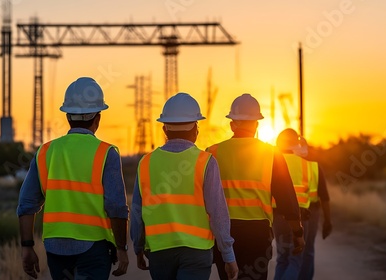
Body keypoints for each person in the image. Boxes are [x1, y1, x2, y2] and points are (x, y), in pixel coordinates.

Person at [17, 77, 129, 279]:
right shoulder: (106, 153)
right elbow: (116, 207)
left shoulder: (45, 151)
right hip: (95, 248)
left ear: (67, 115)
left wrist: (27, 247)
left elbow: (26, 204)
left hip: (55, 247)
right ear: (98, 118)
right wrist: (121, 248)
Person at [130, 92, 239, 280]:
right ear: (196, 129)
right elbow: (218, 212)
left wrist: (138, 248)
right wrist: (228, 255)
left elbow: (138, 213)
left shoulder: (146, 163)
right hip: (196, 252)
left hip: (159, 251)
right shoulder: (206, 162)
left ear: (164, 129)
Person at [207, 93, 304, 280]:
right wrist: (297, 232)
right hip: (257, 234)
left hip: (224, 233)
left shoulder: (212, 153)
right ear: (257, 124)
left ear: (231, 124)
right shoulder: (271, 154)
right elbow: (286, 199)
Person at [273, 128, 332, 280]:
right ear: (296, 144)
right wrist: (328, 220)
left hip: (278, 217)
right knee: (296, 259)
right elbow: (324, 197)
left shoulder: (271, 164)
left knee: (282, 258)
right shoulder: (310, 166)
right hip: (301, 217)